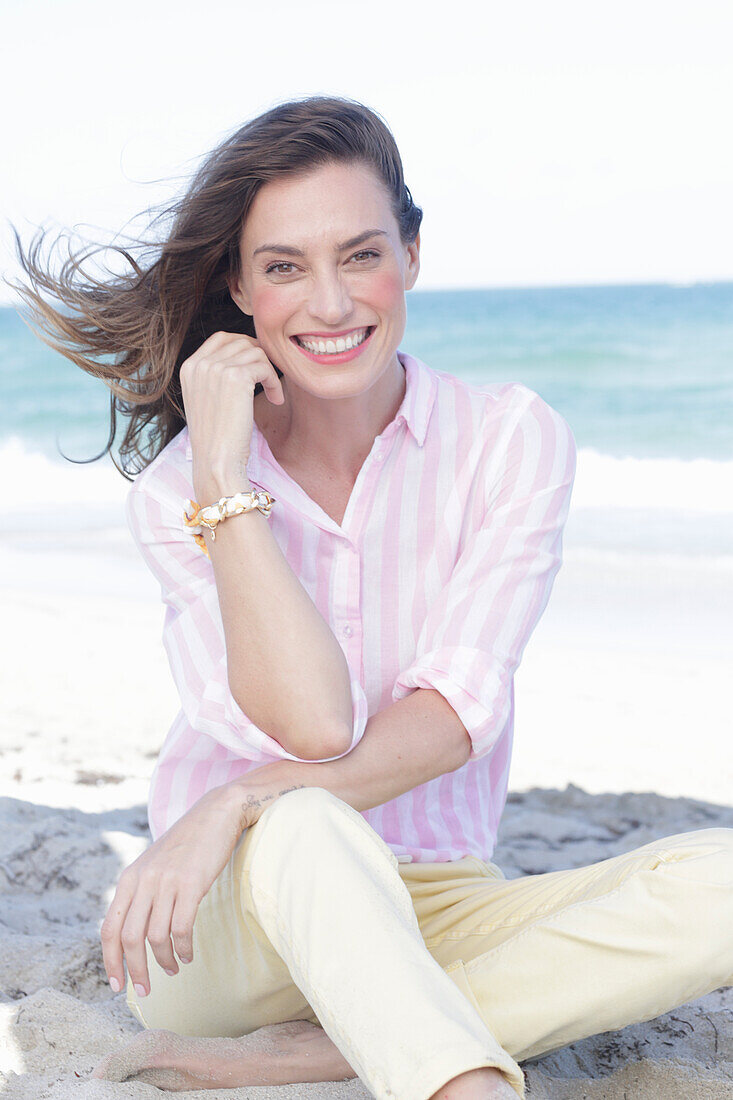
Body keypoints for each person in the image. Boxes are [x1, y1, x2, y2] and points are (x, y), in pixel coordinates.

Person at [12, 95, 733, 1100]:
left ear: (412, 254)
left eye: (359, 256)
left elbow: (452, 717)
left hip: (438, 899)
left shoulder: (507, 439)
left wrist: (233, 795)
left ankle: (331, 1043)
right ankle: (458, 1080)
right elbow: (310, 728)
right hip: (231, 912)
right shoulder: (183, 486)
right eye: (283, 267)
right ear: (238, 287)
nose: (331, 303)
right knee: (306, 821)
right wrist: (226, 473)